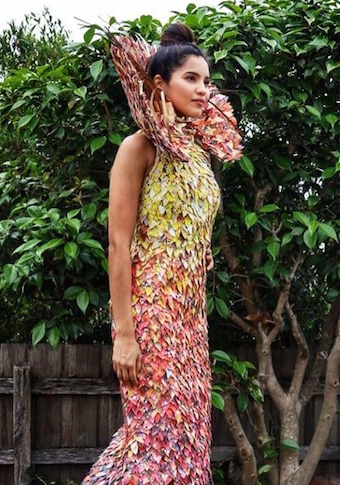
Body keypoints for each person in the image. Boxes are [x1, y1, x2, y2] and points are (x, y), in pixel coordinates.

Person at [82, 23, 242, 484]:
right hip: (150, 318)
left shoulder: (195, 153)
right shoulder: (138, 148)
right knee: (153, 438)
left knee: (188, 439)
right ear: (160, 84)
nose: (203, 89)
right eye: (191, 78)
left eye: (207, 81)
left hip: (191, 320)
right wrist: (124, 334)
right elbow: (118, 244)